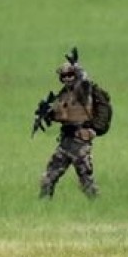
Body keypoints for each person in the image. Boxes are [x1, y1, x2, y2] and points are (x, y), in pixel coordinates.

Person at [36, 49, 112, 200]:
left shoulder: (84, 90)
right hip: (65, 142)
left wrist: (77, 67)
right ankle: (43, 204)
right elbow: (60, 114)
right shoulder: (63, 94)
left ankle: (98, 205)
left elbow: (85, 83)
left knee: (86, 181)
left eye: (70, 75)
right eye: (64, 76)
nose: (67, 79)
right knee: (48, 177)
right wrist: (47, 114)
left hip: (80, 142)